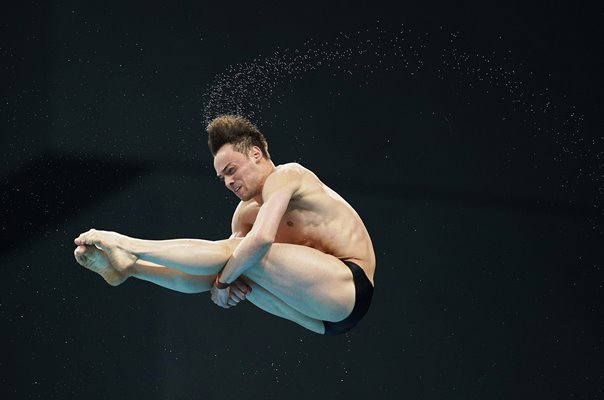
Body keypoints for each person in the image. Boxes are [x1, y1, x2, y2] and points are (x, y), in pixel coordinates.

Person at [73, 115, 375, 335]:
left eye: (232, 170)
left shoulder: (287, 175)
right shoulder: (244, 214)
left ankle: (128, 245)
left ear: (256, 154)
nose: (229, 182)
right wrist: (224, 284)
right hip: (320, 319)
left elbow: (260, 241)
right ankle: (132, 269)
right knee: (230, 262)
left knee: (241, 252)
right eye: (223, 178)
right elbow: (220, 269)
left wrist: (223, 284)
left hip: (348, 286)